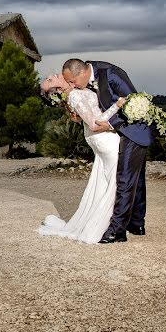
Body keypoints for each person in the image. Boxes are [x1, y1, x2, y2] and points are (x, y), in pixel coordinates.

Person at [62, 58, 154, 244]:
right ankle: (136, 224)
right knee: (137, 179)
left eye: (72, 81)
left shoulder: (111, 73)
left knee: (125, 179)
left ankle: (117, 231)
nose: (72, 85)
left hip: (134, 129)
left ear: (82, 73)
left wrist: (111, 124)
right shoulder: (88, 79)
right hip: (119, 131)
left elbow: (135, 103)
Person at [37, 74, 125, 244]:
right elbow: (94, 124)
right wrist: (117, 105)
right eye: (49, 81)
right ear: (56, 91)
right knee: (113, 181)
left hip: (97, 140)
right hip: (104, 138)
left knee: (104, 181)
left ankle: (112, 223)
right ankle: (105, 226)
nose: (51, 76)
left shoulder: (74, 92)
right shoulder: (75, 96)